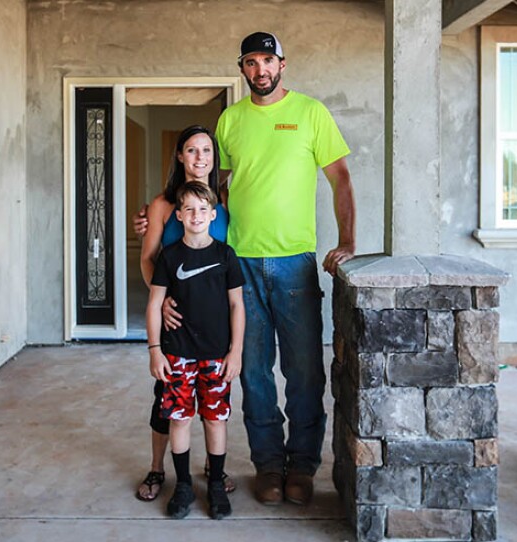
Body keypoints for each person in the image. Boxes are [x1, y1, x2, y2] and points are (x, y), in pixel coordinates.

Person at [135, 31, 356, 507]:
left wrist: (348, 240)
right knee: (252, 373)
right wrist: (157, 212)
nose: (261, 70)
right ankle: (269, 467)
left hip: (294, 261)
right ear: (242, 69)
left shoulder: (311, 114)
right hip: (239, 265)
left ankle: (302, 467)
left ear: (282, 64)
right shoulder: (230, 122)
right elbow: (208, 184)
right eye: (251, 62)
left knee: (302, 373)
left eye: (268, 61)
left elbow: (340, 178)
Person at [135, 125, 237, 502]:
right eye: (192, 151)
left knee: (215, 401)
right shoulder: (162, 205)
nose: (200, 158)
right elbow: (148, 259)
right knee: (168, 400)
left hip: (213, 325)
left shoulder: (226, 200)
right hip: (175, 324)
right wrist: (159, 301)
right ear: (179, 156)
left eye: (207, 151)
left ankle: (214, 467)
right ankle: (159, 468)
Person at [147, 181, 245, 519]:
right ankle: (184, 484)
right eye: (188, 209)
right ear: (179, 215)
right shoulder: (170, 256)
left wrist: (236, 352)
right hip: (177, 355)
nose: (196, 215)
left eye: (203, 209)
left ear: (213, 215)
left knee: (216, 419)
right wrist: (155, 350)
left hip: (217, 354)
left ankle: (216, 483)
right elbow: (155, 303)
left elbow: (237, 306)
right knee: (179, 420)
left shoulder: (225, 255)